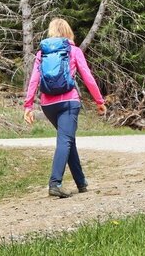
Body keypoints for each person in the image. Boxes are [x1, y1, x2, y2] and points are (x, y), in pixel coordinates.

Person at [23, 18, 106, 198]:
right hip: (68, 102)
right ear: (68, 32)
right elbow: (88, 76)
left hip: (48, 105)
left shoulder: (42, 53)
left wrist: (28, 105)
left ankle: (81, 182)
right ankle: (55, 183)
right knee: (65, 140)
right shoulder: (73, 51)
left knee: (67, 139)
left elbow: (34, 80)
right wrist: (99, 101)